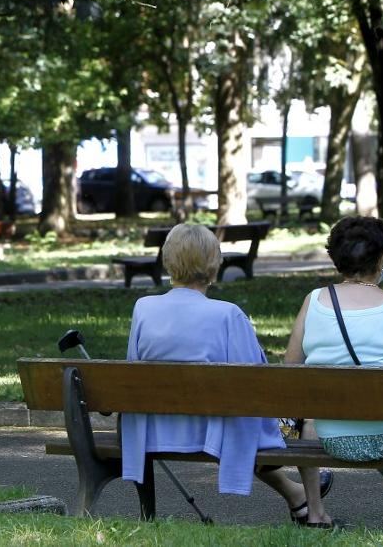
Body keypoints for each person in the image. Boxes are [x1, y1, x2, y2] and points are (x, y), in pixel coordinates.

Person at [121, 223, 334, 527]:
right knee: (298, 416)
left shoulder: (143, 308)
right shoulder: (228, 314)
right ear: (213, 265)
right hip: (214, 429)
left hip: (158, 427)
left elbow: (132, 368)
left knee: (239, 414)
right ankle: (314, 510)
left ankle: (298, 499)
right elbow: (257, 381)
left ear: (169, 261)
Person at [284, 215, 383, 534]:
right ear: (382, 257)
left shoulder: (313, 302)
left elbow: (291, 371)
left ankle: (315, 512)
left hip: (334, 439)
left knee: (311, 419)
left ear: (336, 258)